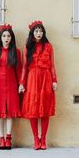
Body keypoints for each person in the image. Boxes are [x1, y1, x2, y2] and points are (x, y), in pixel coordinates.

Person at [19, 21, 57, 150]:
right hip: (32, 79)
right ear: (32, 33)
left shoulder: (48, 46)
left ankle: (43, 139)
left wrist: (54, 80)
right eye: (36, 31)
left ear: (43, 32)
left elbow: (52, 65)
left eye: (41, 31)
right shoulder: (27, 48)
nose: (39, 33)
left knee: (45, 109)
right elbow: (24, 67)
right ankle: (36, 139)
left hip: (46, 78)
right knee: (33, 109)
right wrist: (22, 83)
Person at [0, 24, 22, 150]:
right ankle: (1, 138)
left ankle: (8, 138)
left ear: (12, 38)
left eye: (8, 36)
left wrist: (20, 84)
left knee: (10, 112)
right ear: (0, 38)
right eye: (4, 36)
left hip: (12, 83)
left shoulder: (16, 52)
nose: (6, 38)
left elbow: (18, 70)